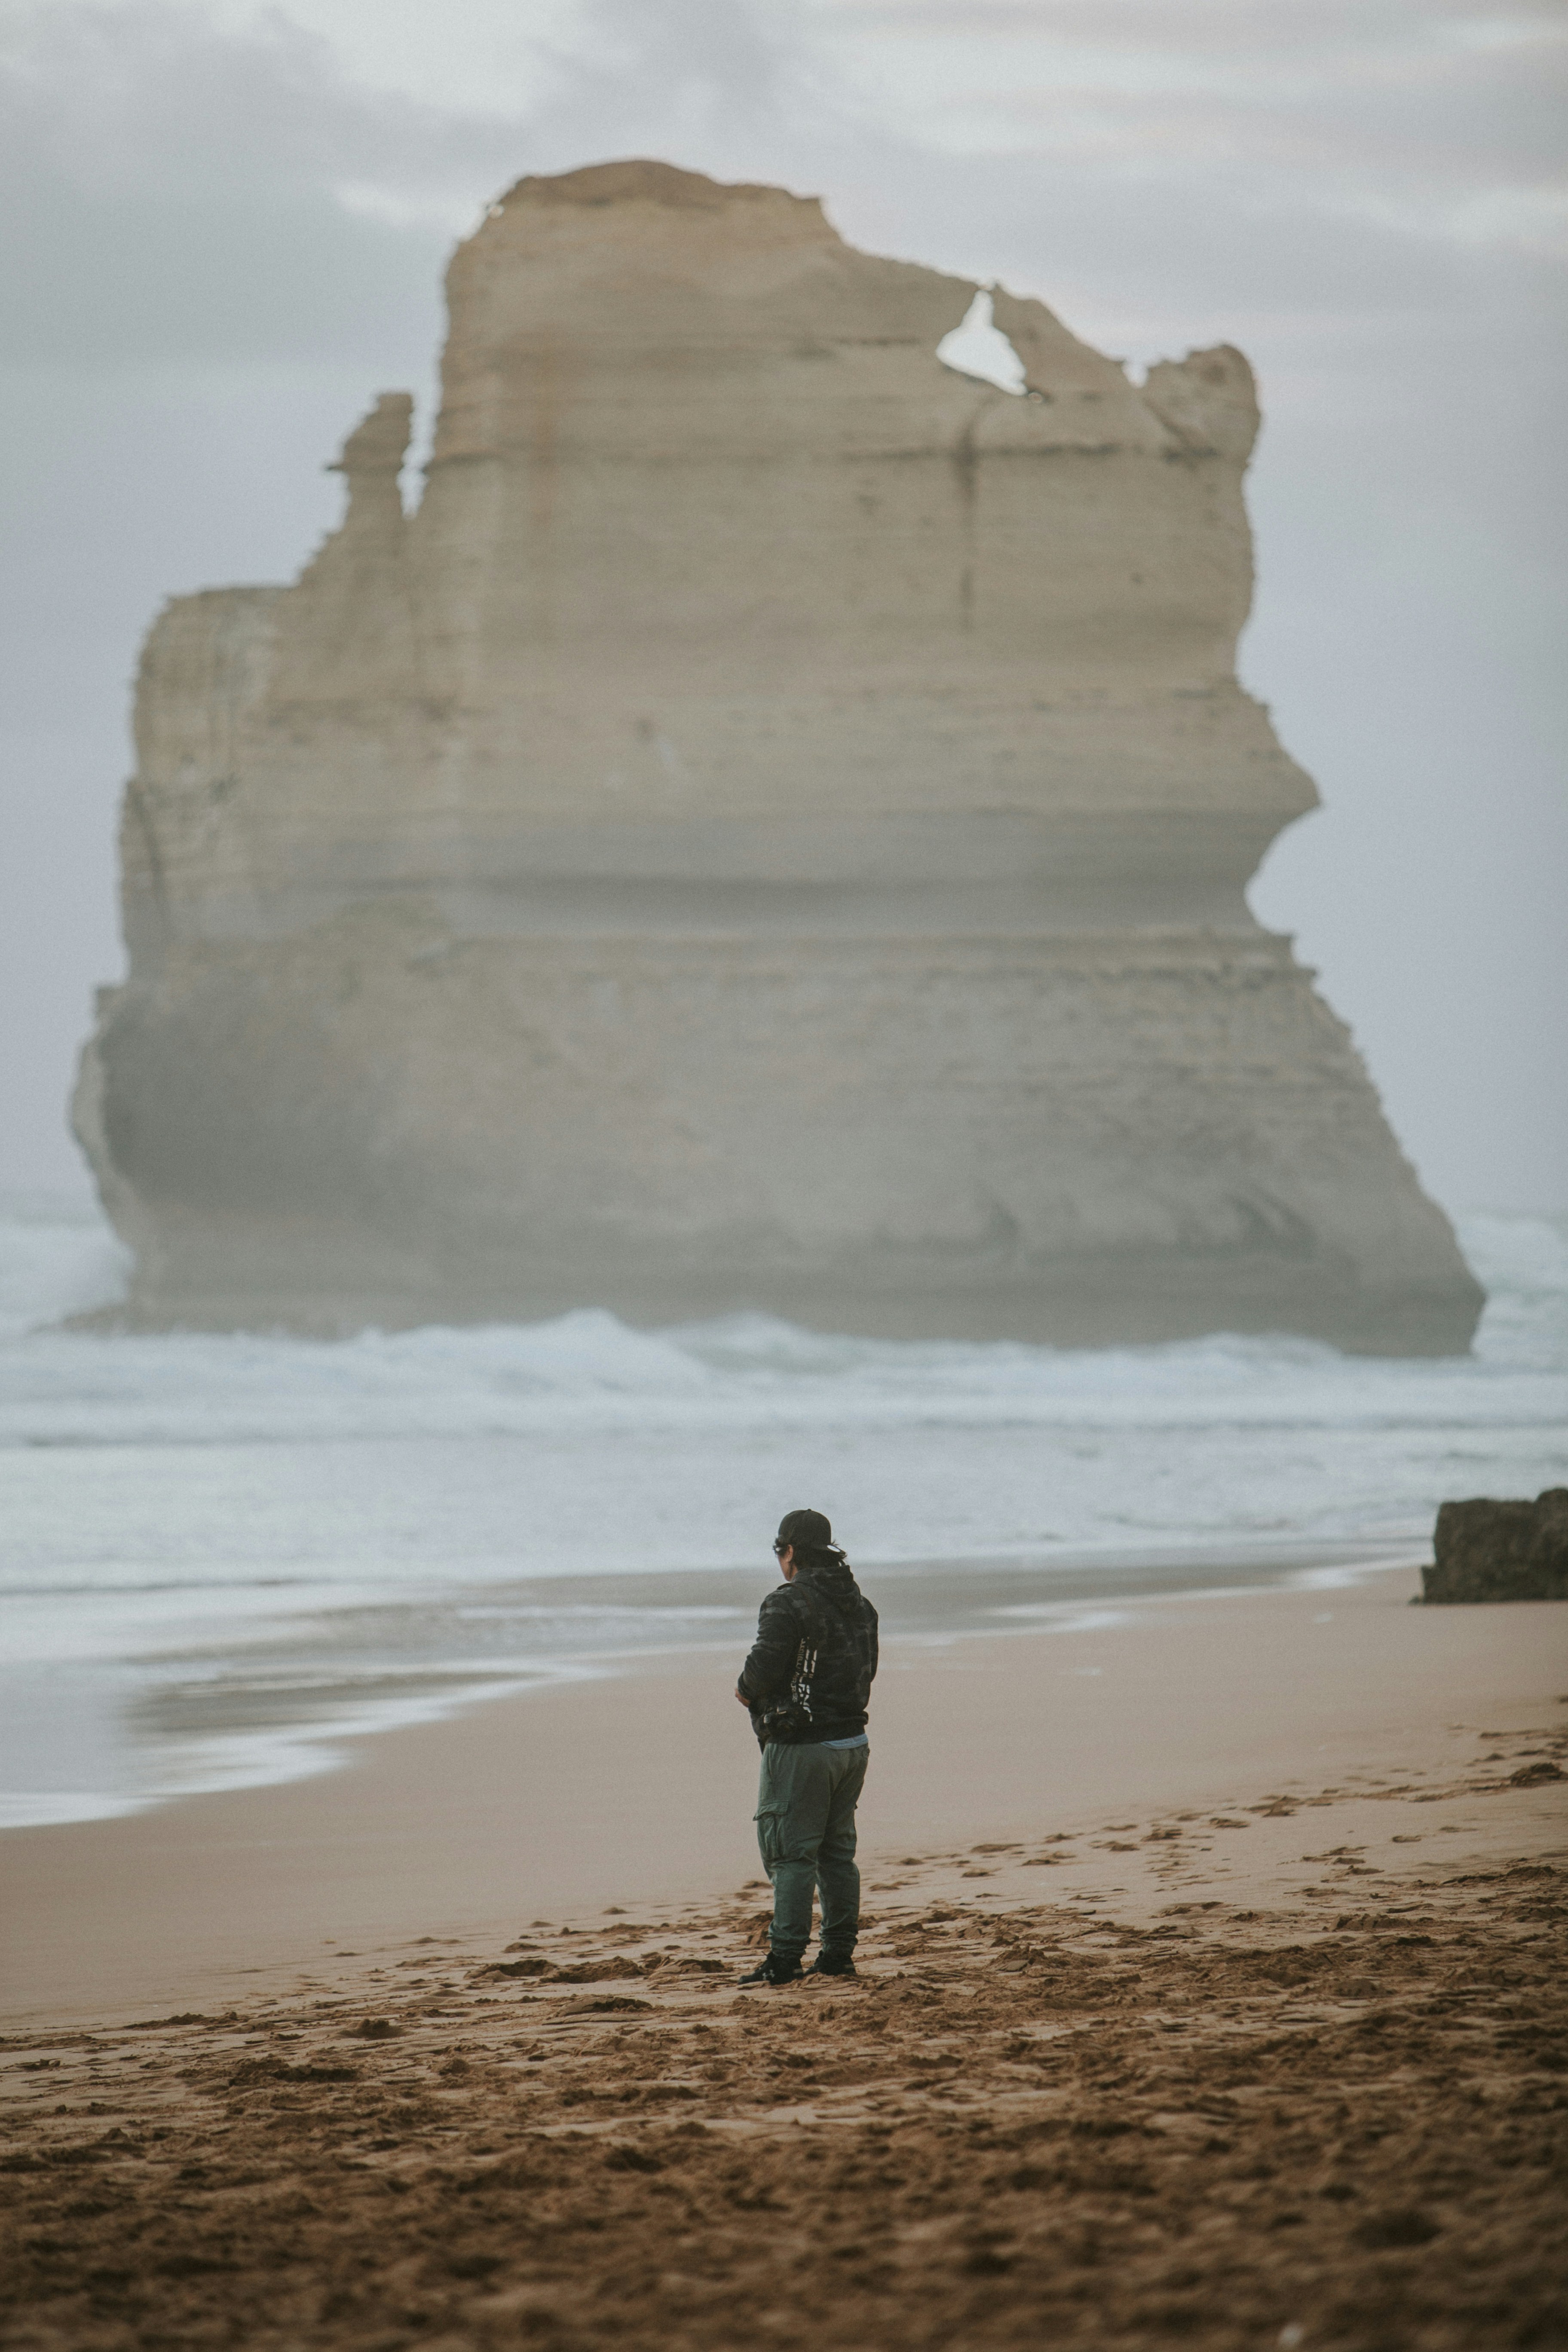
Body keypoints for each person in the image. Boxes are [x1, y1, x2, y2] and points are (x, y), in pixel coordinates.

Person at [733, 1507, 879, 1986]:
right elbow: (867, 1670)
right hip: (852, 1743)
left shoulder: (787, 1602)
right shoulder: (861, 1604)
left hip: (803, 1747)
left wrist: (746, 1690)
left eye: (780, 1551)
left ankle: (784, 1959)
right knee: (837, 1855)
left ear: (790, 1551)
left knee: (789, 1855)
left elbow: (763, 1668)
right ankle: (837, 1954)